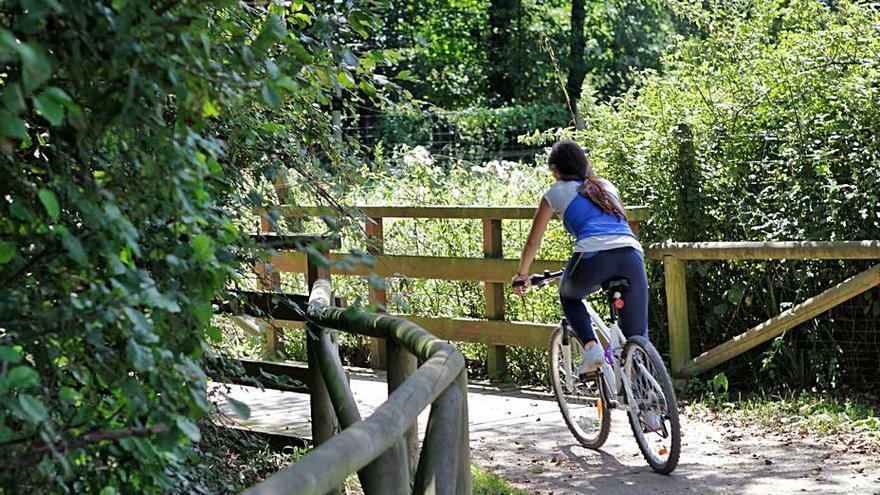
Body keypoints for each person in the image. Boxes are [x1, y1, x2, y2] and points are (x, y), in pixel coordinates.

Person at [512, 140, 648, 376]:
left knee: (569, 295)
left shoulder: (555, 193)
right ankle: (650, 402)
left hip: (592, 257)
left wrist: (522, 274)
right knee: (636, 338)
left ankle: (591, 348)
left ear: (556, 170)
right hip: (631, 255)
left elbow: (533, 242)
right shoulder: (606, 186)